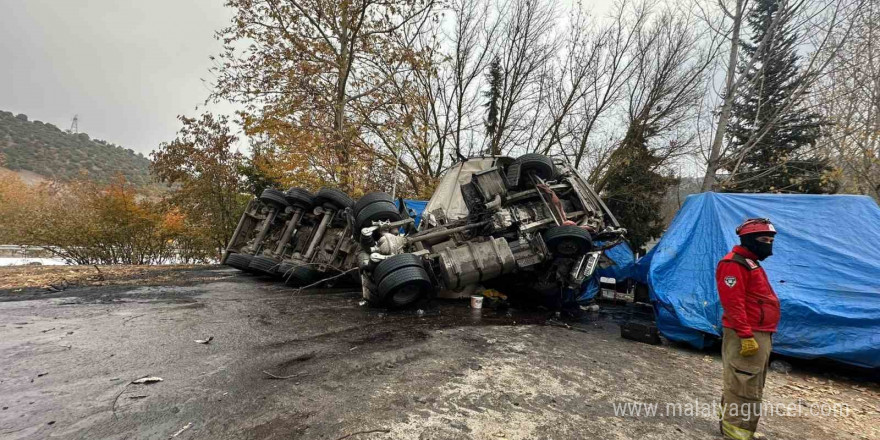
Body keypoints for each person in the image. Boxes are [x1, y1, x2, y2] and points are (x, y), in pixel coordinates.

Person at [716, 218, 780, 440]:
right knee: (744, 384)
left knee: (749, 382)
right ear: (749, 240)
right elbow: (733, 304)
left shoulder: (751, 263)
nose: (769, 243)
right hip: (747, 333)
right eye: (764, 239)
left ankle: (735, 427)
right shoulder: (734, 264)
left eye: (771, 239)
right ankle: (737, 433)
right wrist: (745, 336)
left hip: (759, 332)